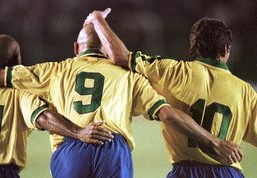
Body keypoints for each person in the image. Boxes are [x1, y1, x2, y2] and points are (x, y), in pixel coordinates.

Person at [0, 26, 242, 178]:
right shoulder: (128, 76)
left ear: (75, 48)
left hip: (71, 147)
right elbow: (166, 113)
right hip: (114, 146)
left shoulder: (55, 69)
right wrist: (213, 141)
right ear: (107, 51)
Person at [85, 8, 256, 178]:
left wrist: (98, 20)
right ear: (226, 49)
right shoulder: (245, 91)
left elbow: (120, 56)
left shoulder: (171, 71)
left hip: (185, 172)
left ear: (193, 46)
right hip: (228, 173)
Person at [0, 34, 114, 178]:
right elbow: (43, 117)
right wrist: (78, 132)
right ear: (18, 59)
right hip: (2, 172)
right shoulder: (23, 94)